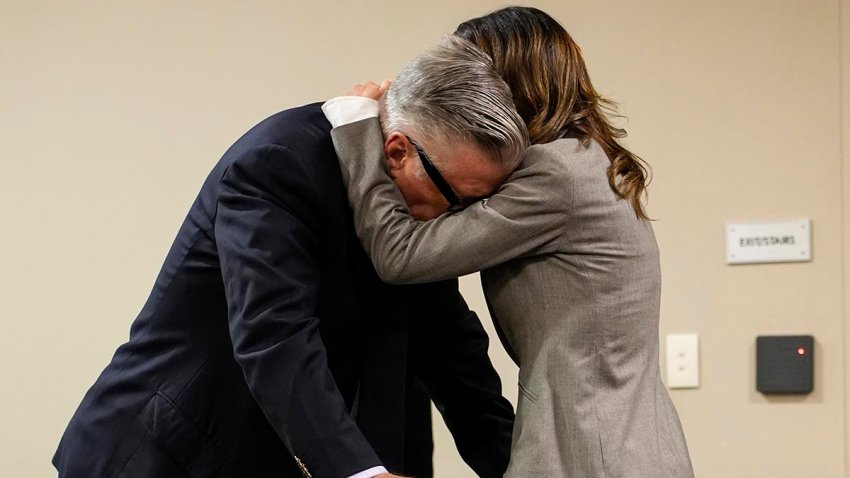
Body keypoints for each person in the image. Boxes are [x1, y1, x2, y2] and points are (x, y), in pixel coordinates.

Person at [53, 38, 526, 478]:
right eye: (457, 200)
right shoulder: (282, 161)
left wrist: (522, 468)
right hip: (165, 456)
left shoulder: (417, 215)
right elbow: (274, 334)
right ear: (398, 151)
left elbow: (450, 350)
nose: (463, 221)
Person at [324, 6, 695, 478]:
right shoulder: (586, 160)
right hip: (623, 442)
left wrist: (356, 129)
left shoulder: (555, 174)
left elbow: (402, 256)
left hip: (588, 447)